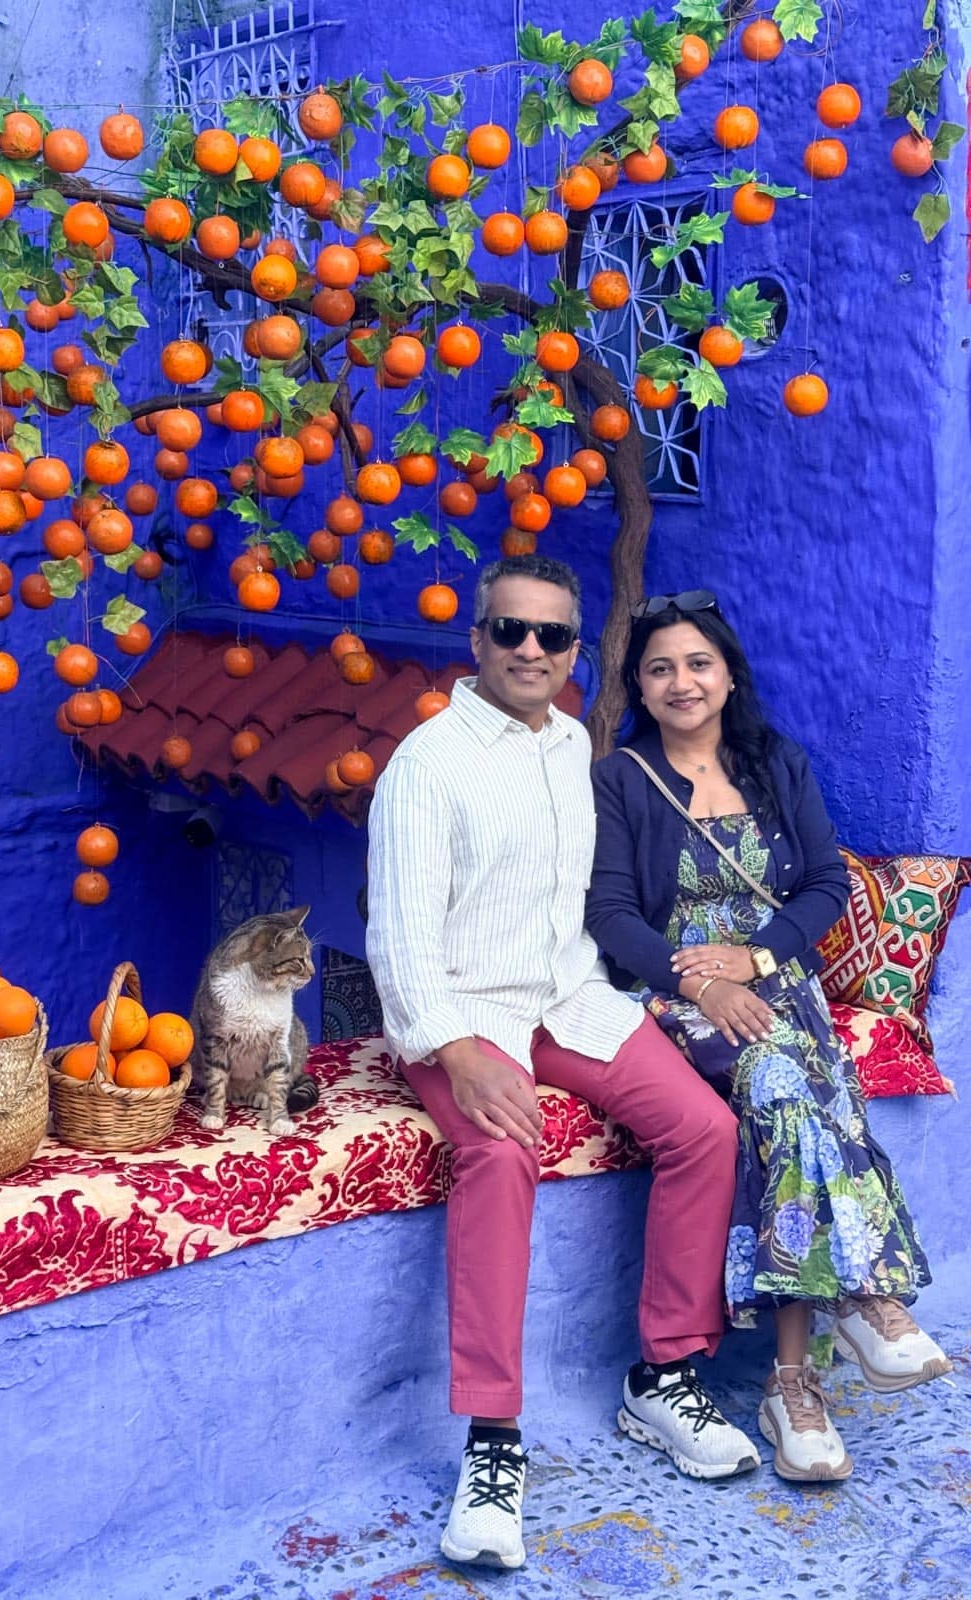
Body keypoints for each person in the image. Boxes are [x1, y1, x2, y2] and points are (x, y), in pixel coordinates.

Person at [366, 555, 761, 1574]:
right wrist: (459, 1051)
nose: (531, 651)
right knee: (501, 1154)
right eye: (511, 631)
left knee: (706, 1127)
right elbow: (399, 945)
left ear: (577, 653)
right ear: (478, 641)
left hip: (570, 1000)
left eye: (551, 636)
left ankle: (663, 1373)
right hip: (462, 1010)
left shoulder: (572, 747)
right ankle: (494, 1441)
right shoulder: (428, 762)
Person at [587, 589, 950, 1485]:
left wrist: (752, 958)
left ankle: (797, 1382)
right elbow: (610, 913)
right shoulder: (620, 778)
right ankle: (859, 1310)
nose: (682, 682)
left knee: (801, 1097)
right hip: (671, 994)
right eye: (661, 668)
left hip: (773, 981)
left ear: (728, 673)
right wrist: (697, 980)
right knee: (790, 1089)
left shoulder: (775, 761)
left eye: (698, 663)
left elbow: (823, 882)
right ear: (640, 683)